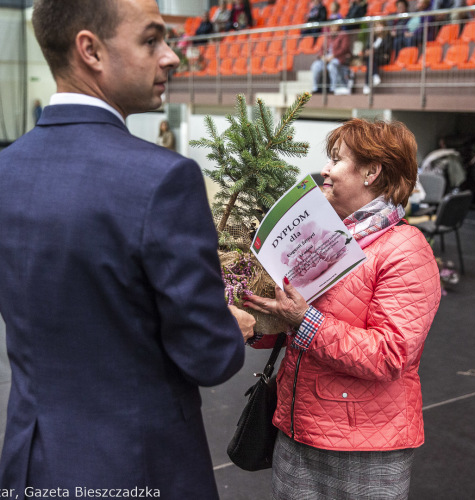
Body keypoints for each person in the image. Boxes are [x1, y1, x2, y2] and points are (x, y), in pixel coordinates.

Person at [0, 0, 255, 496]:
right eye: (151, 39)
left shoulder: (6, 172)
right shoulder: (163, 180)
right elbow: (208, 356)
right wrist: (233, 325)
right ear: (90, 50)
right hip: (137, 468)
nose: (172, 57)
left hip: (31, 464)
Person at [244, 118, 442, 500]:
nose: (325, 170)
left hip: (365, 446)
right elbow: (294, 322)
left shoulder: (406, 249)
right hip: (297, 428)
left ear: (372, 171)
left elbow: (389, 355)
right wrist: (258, 318)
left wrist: (305, 320)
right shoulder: (323, 234)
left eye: (337, 160)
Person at [311, 23, 351, 94]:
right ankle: (315, 88)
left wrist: (333, 56)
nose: (333, 28)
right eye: (332, 26)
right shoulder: (328, 36)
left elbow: (344, 49)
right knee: (315, 66)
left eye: (335, 26)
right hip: (326, 58)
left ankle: (333, 88)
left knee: (331, 66)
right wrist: (322, 56)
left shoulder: (343, 35)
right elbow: (321, 49)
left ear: (338, 27)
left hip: (338, 58)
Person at [362, 20, 392, 94]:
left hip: (382, 57)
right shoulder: (372, 36)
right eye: (376, 26)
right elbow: (367, 47)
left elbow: (386, 49)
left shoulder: (388, 36)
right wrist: (366, 51)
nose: (378, 27)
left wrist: (373, 51)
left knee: (370, 59)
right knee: (370, 60)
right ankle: (375, 75)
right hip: (372, 58)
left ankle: (367, 84)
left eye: (380, 25)